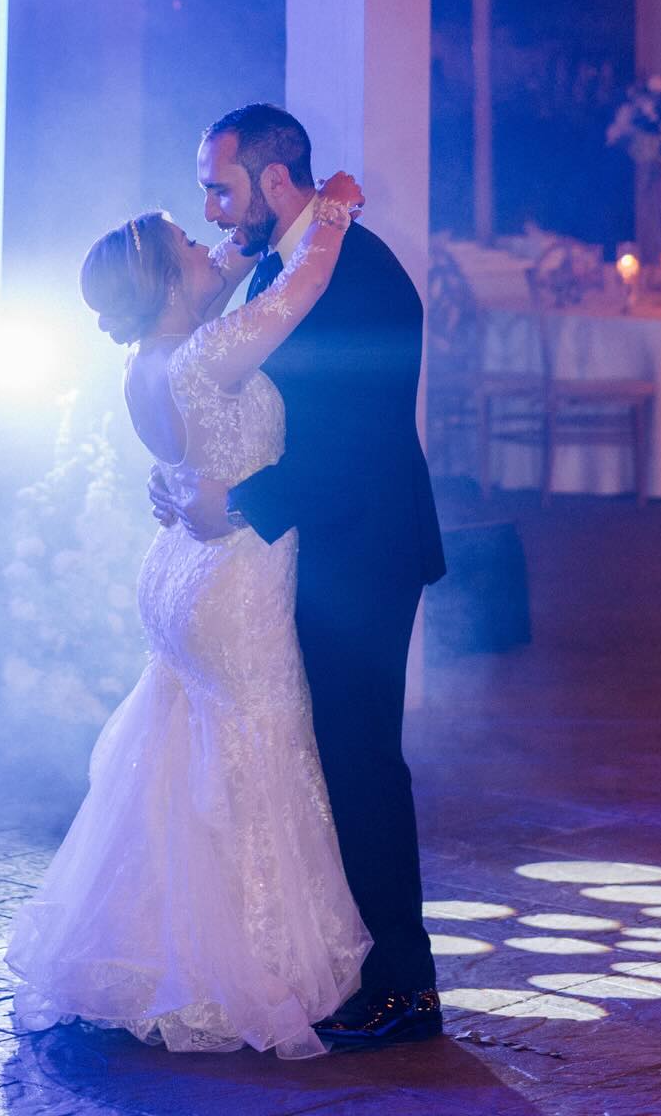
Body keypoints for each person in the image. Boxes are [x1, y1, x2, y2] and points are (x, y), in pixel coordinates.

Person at [7, 171, 370, 1058]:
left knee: (179, 761)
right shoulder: (209, 355)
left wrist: (244, 242)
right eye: (190, 246)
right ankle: (248, 969)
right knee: (255, 756)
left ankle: (155, 951)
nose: (211, 246)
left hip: (178, 573)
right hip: (231, 577)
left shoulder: (148, 362)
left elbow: (189, 447)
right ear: (171, 283)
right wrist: (331, 214)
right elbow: (304, 289)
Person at [160, 103, 446, 1049]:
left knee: (363, 760)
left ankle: (407, 987)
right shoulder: (296, 261)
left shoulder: (349, 276)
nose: (209, 205)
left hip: (359, 546)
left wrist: (239, 507)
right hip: (324, 545)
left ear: (275, 180)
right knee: (330, 757)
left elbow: (353, 444)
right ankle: (354, 961)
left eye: (220, 184)